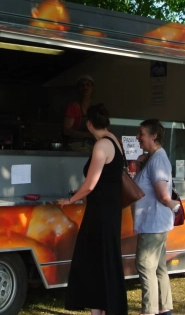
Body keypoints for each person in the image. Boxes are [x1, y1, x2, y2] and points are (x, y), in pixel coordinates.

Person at [57, 103, 128, 315]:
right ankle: (102, 309)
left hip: (100, 212)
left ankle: (101, 310)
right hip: (110, 210)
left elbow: (90, 184)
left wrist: (70, 200)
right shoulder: (115, 140)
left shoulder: (101, 146)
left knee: (94, 260)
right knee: (103, 260)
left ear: (89, 124)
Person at [133, 118, 178, 315]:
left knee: (144, 265)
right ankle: (164, 308)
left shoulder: (158, 160)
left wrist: (170, 202)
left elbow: (162, 194)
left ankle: (149, 311)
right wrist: (140, 166)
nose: (138, 137)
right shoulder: (153, 159)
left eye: (141, 133)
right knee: (158, 267)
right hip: (155, 222)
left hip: (153, 223)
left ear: (154, 136)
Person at [63, 75, 96, 152]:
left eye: (88, 84)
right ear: (78, 89)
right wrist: (90, 135)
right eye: (82, 85)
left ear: (93, 89)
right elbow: (66, 130)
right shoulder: (73, 107)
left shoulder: (95, 109)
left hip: (91, 147)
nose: (85, 87)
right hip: (74, 146)